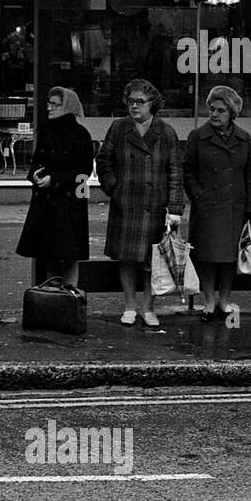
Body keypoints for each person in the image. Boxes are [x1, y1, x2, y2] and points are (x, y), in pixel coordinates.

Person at [95, 78, 185, 328]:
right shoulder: (118, 128)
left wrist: (176, 209)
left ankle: (148, 306)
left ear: (152, 104)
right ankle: (129, 305)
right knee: (127, 258)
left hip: (156, 204)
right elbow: (104, 161)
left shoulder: (166, 132)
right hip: (127, 202)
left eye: (140, 102)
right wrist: (115, 188)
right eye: (131, 101)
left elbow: (176, 172)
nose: (134, 106)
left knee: (152, 260)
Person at [183, 85, 251, 321]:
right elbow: (187, 170)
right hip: (207, 207)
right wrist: (198, 194)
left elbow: (250, 176)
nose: (214, 114)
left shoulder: (244, 139)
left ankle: (224, 300)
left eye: (221, 111)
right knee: (206, 256)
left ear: (232, 114)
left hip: (233, 207)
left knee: (229, 257)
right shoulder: (198, 137)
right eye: (212, 110)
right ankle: (208, 301)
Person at [16, 87, 94, 289]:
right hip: (46, 202)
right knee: (47, 253)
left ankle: (69, 297)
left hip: (69, 203)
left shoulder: (80, 135)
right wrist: (35, 175)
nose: (49, 108)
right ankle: (51, 298)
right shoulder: (46, 131)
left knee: (69, 254)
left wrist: (56, 180)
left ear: (67, 106)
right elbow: (37, 161)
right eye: (48, 103)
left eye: (55, 104)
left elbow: (83, 171)